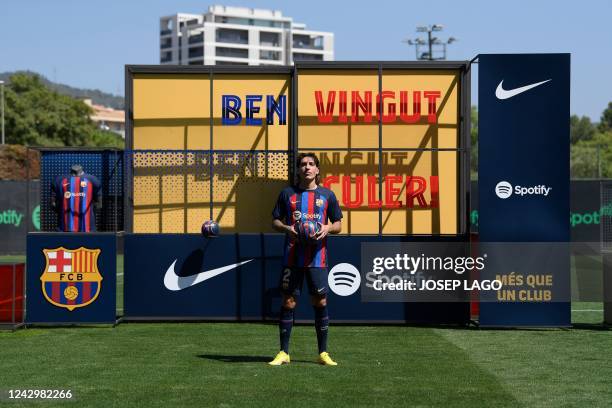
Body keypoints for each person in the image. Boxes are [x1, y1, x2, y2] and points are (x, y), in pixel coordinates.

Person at [268, 152, 343, 366]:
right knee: (288, 301)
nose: (307, 167)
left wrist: (328, 227)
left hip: (317, 258)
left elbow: (338, 224)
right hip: (292, 257)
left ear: (318, 170)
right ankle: (283, 352)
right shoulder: (287, 194)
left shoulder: (327, 195)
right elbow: (274, 221)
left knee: (320, 301)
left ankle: (323, 353)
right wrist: (286, 227)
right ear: (298, 170)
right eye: (303, 164)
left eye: (311, 164)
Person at [51, 164, 102, 232]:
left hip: (78, 228)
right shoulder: (58, 181)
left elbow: (53, 204)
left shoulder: (93, 180)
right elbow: (99, 204)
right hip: (70, 228)